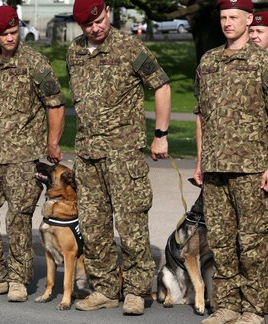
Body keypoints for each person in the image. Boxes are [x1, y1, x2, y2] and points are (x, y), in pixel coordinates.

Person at [66, 0, 171, 315]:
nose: (95, 29)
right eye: (88, 25)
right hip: (87, 153)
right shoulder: (74, 52)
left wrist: (160, 134)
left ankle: (137, 291)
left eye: (99, 21)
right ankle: (105, 289)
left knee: (131, 222)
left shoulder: (129, 47)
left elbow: (162, 86)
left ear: (108, 12)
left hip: (123, 152)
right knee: (93, 224)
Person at [193, 1, 268, 323]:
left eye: (234, 17)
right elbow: (201, 116)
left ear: (249, 20)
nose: (227, 22)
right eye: (223, 17)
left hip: (251, 167)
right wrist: (199, 162)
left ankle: (253, 307)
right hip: (215, 167)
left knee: (252, 241)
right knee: (220, 240)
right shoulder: (208, 61)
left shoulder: (264, 63)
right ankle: (227, 304)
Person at [0, 5, 65, 302]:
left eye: (13, 31)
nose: (10, 37)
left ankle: (19, 279)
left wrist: (53, 143)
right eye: (3, 33)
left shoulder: (35, 62)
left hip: (24, 155)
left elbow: (55, 104)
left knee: (18, 219)